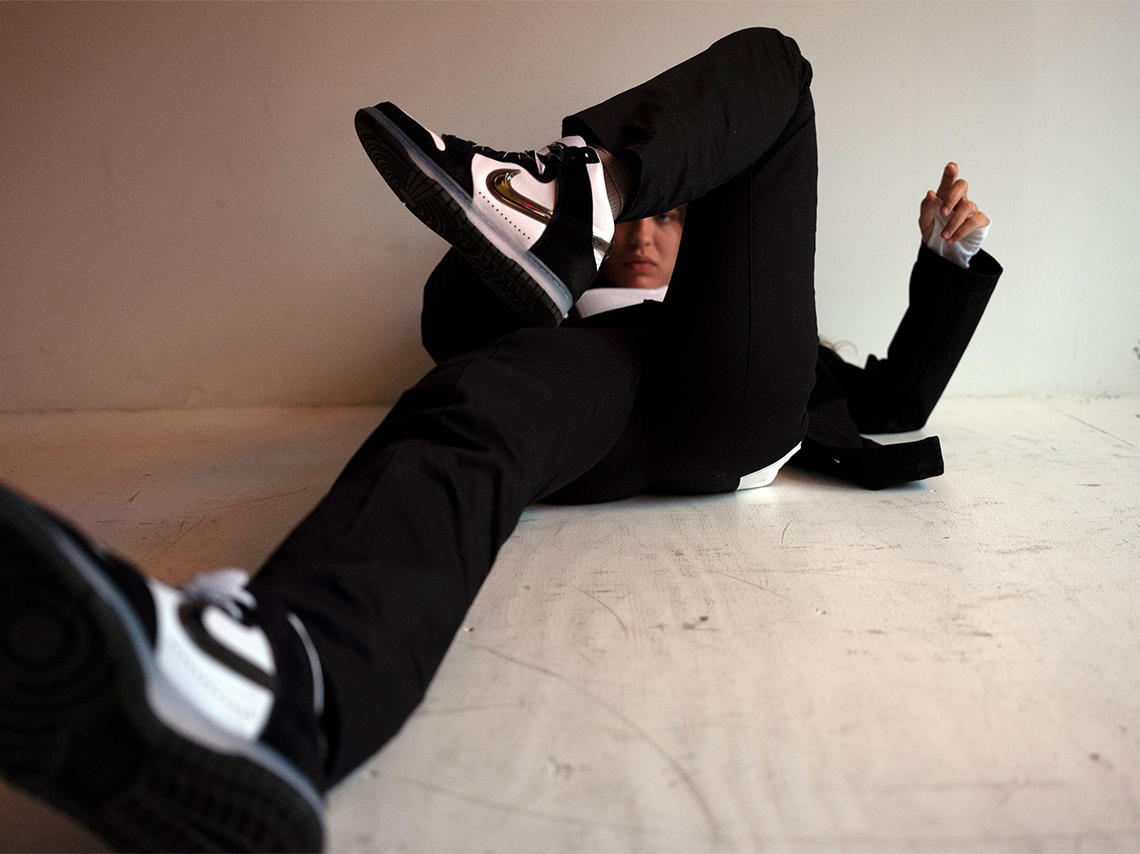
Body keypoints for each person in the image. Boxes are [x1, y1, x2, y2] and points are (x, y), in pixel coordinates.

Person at [0, 28, 1000, 853]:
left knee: (775, 66)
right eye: (632, 220)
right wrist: (544, 281)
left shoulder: (752, 326)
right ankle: (289, 685)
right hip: (590, 392)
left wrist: (944, 264)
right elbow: (445, 320)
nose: (647, 236)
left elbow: (897, 400)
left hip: (727, 396)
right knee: (469, 400)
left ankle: (579, 188)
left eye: (669, 218)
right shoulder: (539, 328)